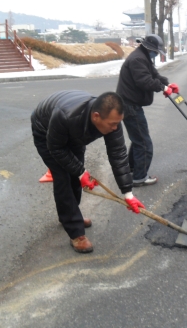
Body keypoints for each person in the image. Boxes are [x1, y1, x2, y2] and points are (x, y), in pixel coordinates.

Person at [31, 91, 145, 253]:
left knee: (76, 177)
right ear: (96, 116)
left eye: (118, 123)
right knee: (63, 177)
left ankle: (71, 216)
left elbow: (118, 154)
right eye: (112, 124)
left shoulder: (112, 121)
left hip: (74, 133)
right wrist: (80, 172)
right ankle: (75, 233)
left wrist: (128, 194)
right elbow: (56, 148)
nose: (115, 128)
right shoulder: (66, 116)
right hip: (47, 132)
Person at [116, 34, 179, 187]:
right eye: (155, 51)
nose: (156, 54)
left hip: (130, 103)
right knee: (144, 142)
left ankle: (132, 168)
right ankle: (139, 177)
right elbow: (144, 81)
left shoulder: (143, 57)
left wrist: (167, 84)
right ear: (149, 48)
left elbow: (154, 75)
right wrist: (162, 88)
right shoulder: (138, 59)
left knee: (138, 139)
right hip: (129, 105)